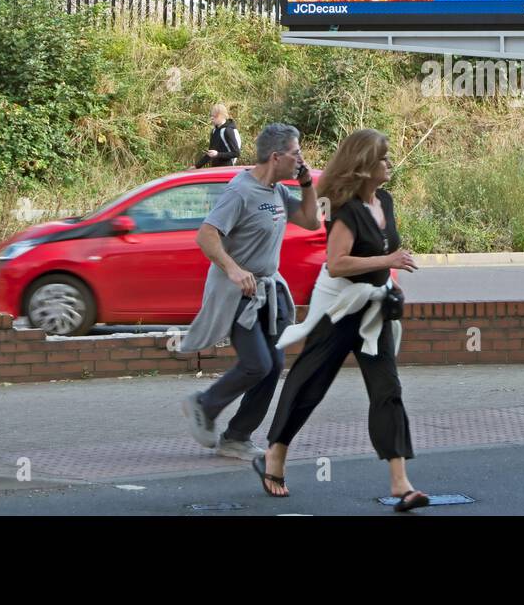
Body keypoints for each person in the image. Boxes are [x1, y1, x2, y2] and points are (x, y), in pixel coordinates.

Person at [257, 128, 428, 511]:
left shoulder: (384, 199)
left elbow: (384, 251)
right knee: (309, 384)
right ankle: (276, 455)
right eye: (382, 158)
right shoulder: (343, 208)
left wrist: (389, 280)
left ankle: (401, 484)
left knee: (388, 390)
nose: (388, 163)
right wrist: (387, 261)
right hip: (338, 308)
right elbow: (336, 264)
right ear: (365, 167)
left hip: (373, 308)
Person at [178, 123, 320, 459]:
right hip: (238, 292)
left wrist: (307, 184)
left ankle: (237, 437)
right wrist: (233, 269)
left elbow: (312, 221)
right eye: (295, 153)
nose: (300, 158)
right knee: (258, 364)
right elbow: (207, 235)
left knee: (272, 365)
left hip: (269, 291)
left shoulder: (278, 191)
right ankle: (203, 404)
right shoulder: (241, 191)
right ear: (276, 157)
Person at [194, 104, 242, 169]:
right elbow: (210, 153)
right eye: (211, 116)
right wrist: (196, 166)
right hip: (215, 169)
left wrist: (217, 154)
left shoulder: (228, 131)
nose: (212, 118)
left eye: (215, 116)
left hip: (226, 170)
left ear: (222, 116)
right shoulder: (214, 131)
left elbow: (236, 153)